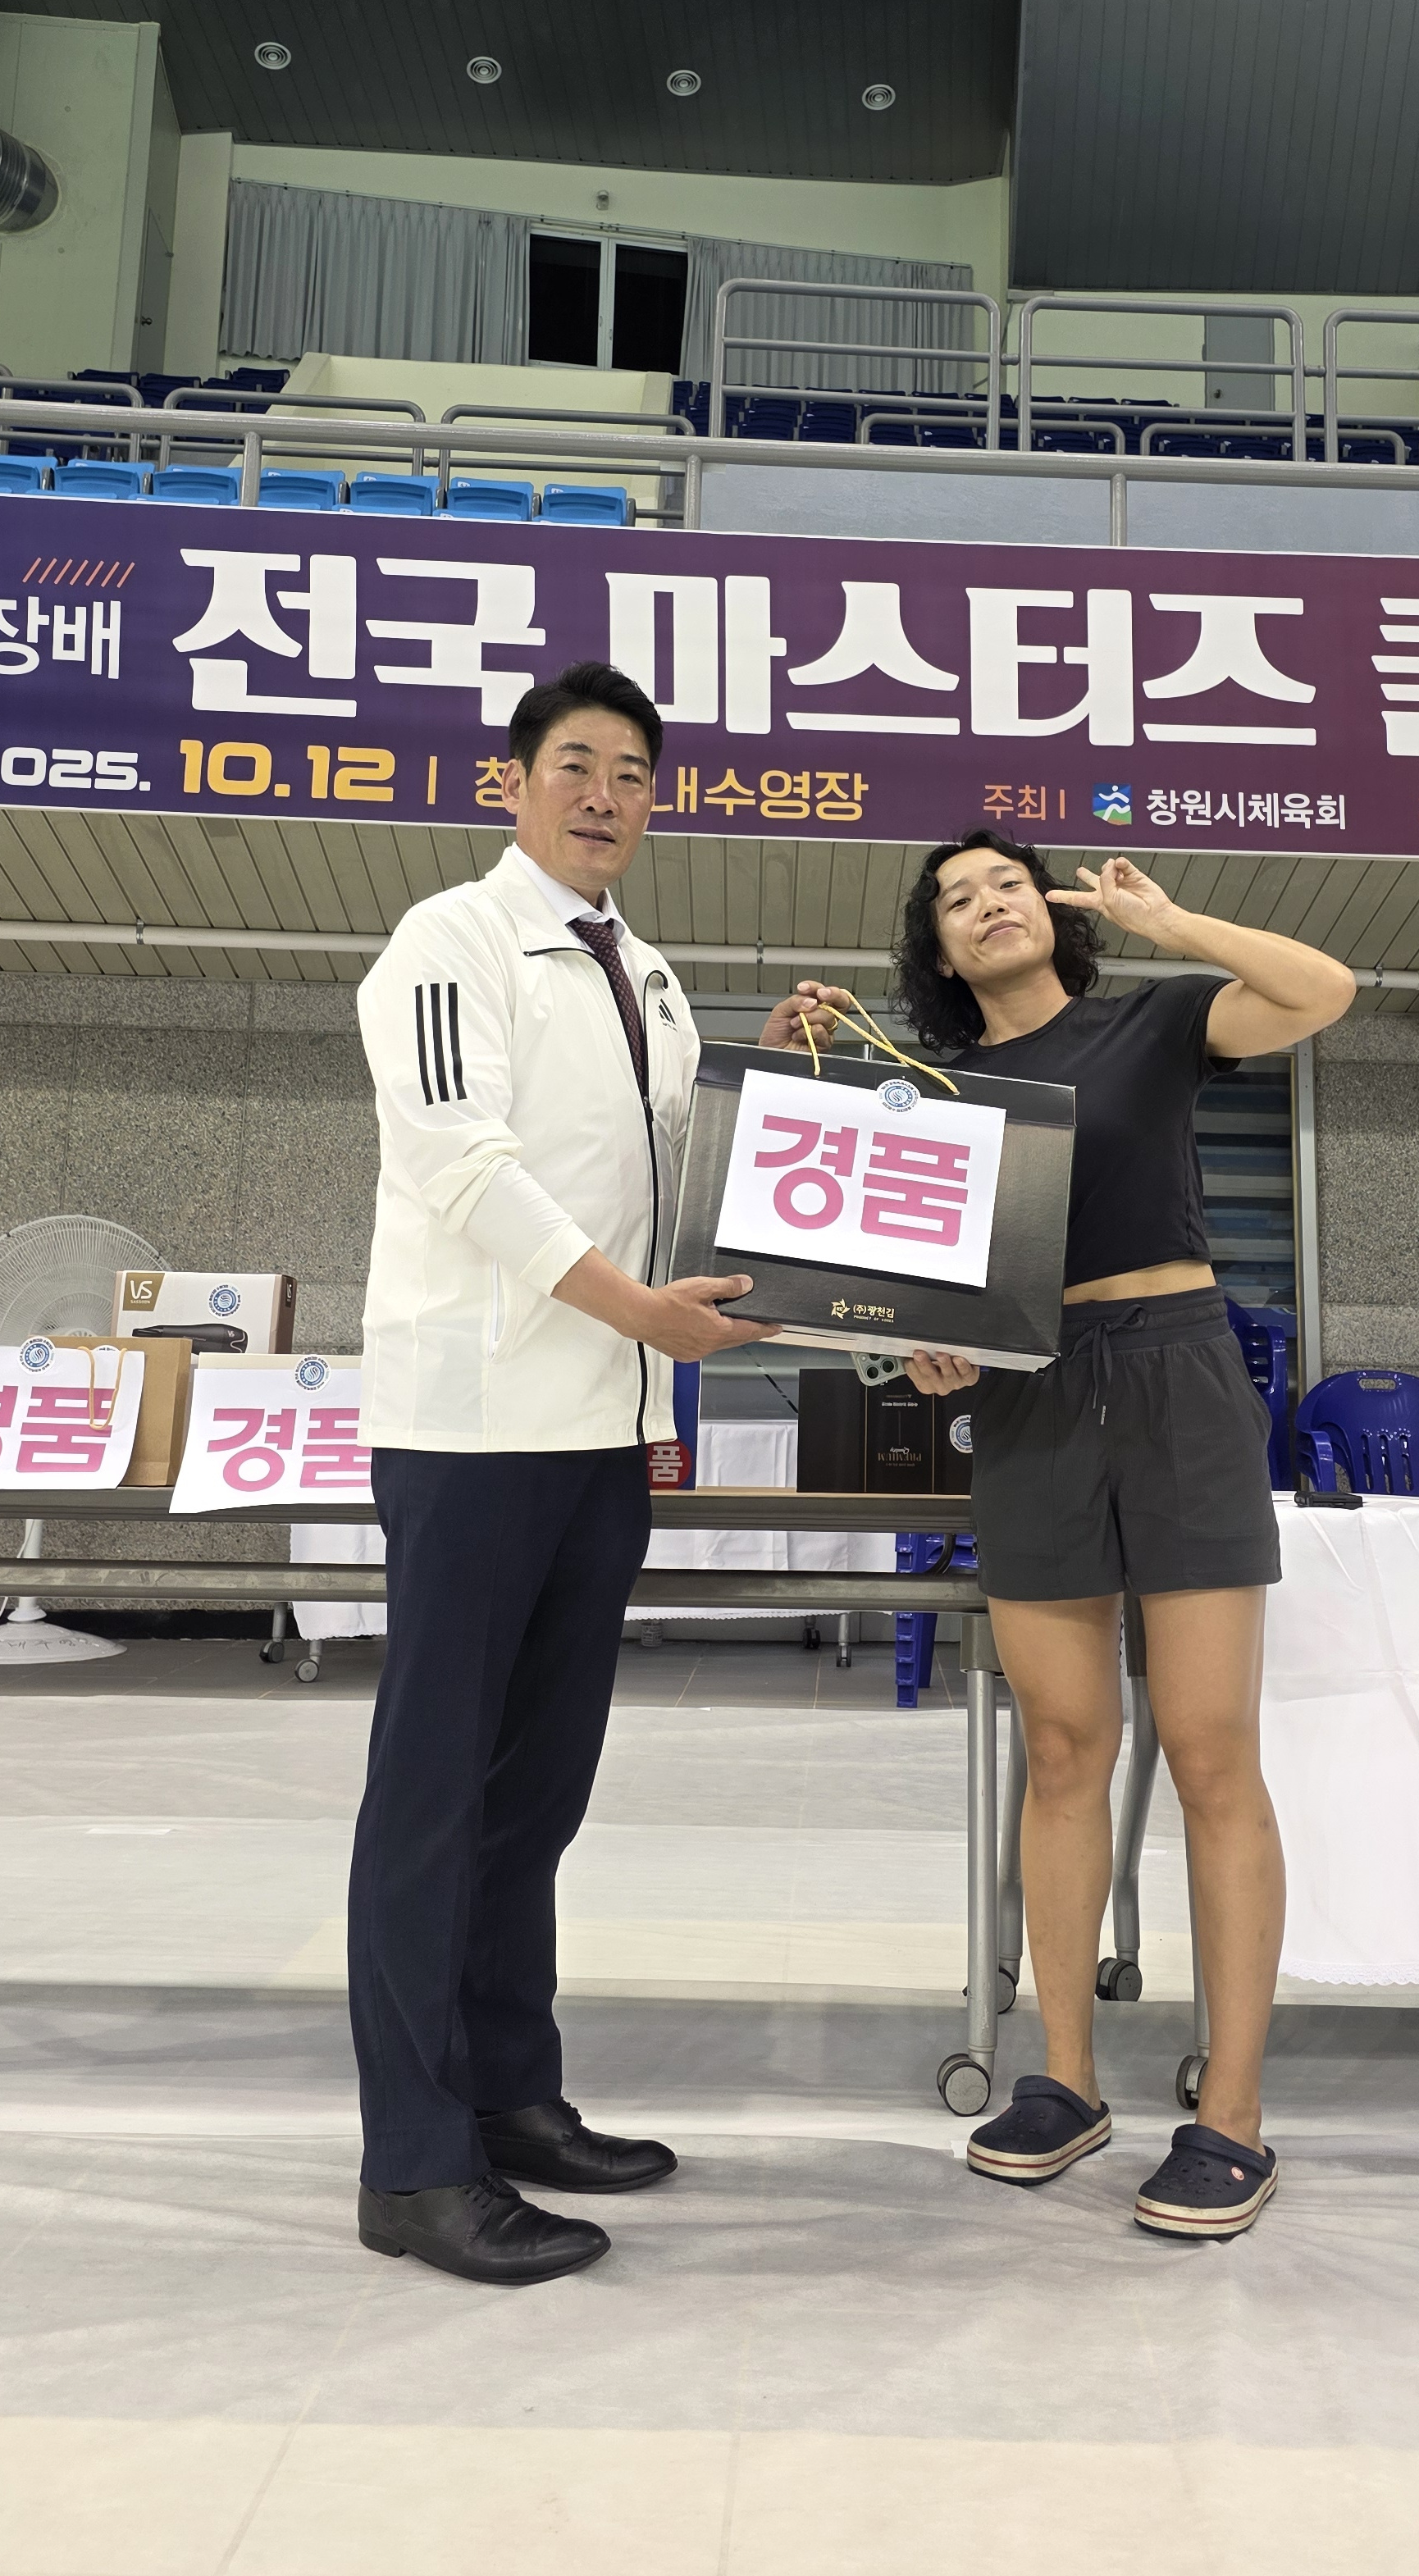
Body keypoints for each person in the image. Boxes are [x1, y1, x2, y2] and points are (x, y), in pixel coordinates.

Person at [348, 658, 846, 2284]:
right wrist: (634, 1311)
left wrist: (772, 1071)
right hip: (473, 1425)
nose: (605, 794)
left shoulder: (653, 976)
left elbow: (676, 1173)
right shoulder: (453, 940)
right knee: (434, 1800)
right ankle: (415, 2165)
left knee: (535, 1798)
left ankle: (510, 2097)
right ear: (511, 782)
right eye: (575, 763)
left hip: (602, 1433)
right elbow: (460, 1159)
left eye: (632, 772)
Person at [896, 832, 1353, 2241]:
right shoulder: (936, 1093)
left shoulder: (1150, 1022)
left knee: (1211, 1753)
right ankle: (1067, 2082)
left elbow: (1324, 989)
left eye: (1007, 884)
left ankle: (1234, 2117)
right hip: (1031, 1397)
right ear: (936, 947)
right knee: (1063, 1749)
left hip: (1178, 1371)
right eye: (958, 899)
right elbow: (907, 1282)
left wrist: (1175, 923)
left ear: (1054, 910)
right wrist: (922, 1347)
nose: (988, 905)